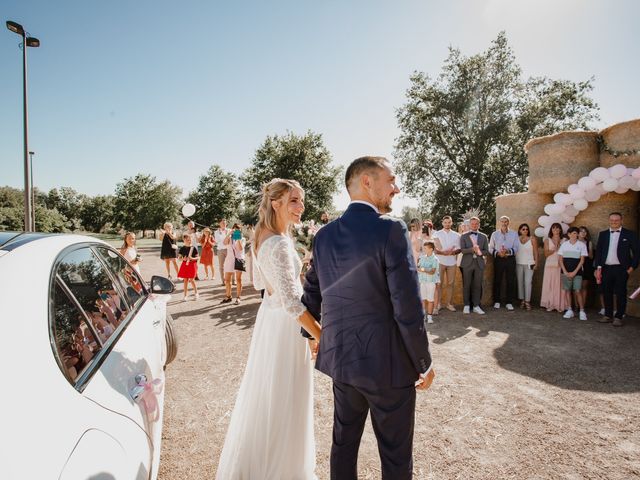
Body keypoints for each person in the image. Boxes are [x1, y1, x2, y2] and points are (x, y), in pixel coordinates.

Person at [304, 156, 434, 480]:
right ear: (366, 181)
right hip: (387, 367)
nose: (396, 188)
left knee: (343, 446)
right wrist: (424, 362)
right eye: (390, 180)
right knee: (395, 456)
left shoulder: (323, 236)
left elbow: (310, 297)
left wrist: (315, 340)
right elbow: (407, 306)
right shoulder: (390, 229)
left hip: (342, 364)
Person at [215, 178, 321, 479]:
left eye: (301, 200)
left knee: (270, 395)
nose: (301, 207)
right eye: (294, 201)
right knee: (285, 398)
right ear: (276, 203)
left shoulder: (260, 235)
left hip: (270, 321)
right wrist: (321, 336)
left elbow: (262, 285)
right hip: (286, 328)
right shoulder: (279, 243)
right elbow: (293, 302)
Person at [594, 212, 640, 327]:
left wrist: (631, 268)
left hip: (621, 269)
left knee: (621, 293)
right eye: (612, 220)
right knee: (606, 292)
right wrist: (598, 267)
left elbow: (637, 253)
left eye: (616, 220)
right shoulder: (603, 234)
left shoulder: (629, 234)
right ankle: (608, 315)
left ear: (621, 221)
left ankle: (619, 317)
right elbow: (599, 252)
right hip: (606, 268)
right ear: (609, 220)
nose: (614, 222)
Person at [460, 217, 489, 315]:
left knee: (477, 285)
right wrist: (472, 249)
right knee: (467, 285)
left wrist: (479, 252)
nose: (474, 225)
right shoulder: (463, 236)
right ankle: (466, 305)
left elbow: (486, 251)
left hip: (479, 263)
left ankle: (476, 305)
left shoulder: (484, 236)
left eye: (476, 224)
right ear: (469, 225)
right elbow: (463, 250)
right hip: (467, 263)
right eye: (472, 224)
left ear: (479, 225)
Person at [489, 216, 519, 310]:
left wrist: (508, 252)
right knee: (497, 280)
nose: (504, 223)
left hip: (510, 259)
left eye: (506, 221)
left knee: (510, 280)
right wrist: (498, 253)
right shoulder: (495, 234)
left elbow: (516, 247)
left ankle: (509, 302)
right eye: (502, 221)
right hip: (498, 259)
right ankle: (497, 301)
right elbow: (490, 248)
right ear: (500, 222)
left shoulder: (514, 234)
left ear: (508, 222)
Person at [558, 226, 588, 320]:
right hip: (565, 272)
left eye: (576, 233)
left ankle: (582, 311)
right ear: (569, 234)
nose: (575, 235)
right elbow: (560, 260)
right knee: (567, 290)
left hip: (577, 272)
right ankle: (569, 310)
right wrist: (566, 272)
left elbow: (582, 261)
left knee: (578, 291)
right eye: (573, 233)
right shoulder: (564, 245)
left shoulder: (582, 245)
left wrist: (574, 272)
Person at [433, 215, 461, 312]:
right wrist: (443, 253)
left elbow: (459, 249)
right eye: (445, 222)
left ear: (451, 223)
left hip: (452, 262)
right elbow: (435, 249)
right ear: (442, 223)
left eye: (449, 222)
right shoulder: (436, 234)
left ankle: (449, 304)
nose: (447, 224)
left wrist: (452, 252)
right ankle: (439, 303)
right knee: (439, 283)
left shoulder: (457, 235)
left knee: (450, 283)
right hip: (439, 261)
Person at [540, 223, 566, 313]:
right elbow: (546, 254)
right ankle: (550, 304)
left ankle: (559, 305)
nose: (555, 230)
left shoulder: (564, 240)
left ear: (560, 230)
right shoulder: (547, 240)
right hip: (550, 264)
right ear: (551, 230)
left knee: (559, 284)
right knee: (550, 284)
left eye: (557, 228)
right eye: (554, 228)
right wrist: (555, 249)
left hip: (561, 264)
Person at [515, 223, 539, 310]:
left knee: (528, 282)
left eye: (526, 229)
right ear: (520, 230)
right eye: (523, 229)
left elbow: (536, 252)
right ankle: (522, 300)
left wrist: (536, 263)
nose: (525, 230)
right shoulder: (516, 239)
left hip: (529, 263)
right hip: (518, 263)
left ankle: (527, 301)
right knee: (520, 282)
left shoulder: (532, 239)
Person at [221, 223, 246, 305]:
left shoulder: (242, 239)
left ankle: (238, 297)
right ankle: (228, 296)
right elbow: (224, 243)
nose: (236, 233)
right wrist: (229, 234)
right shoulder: (229, 238)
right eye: (235, 230)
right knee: (227, 280)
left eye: (238, 231)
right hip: (229, 260)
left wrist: (238, 238)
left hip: (238, 259)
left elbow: (240, 248)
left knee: (238, 279)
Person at [417, 241, 440, 324]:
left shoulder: (435, 259)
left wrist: (423, 269)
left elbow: (432, 271)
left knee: (430, 300)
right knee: (423, 299)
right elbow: (418, 267)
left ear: (431, 249)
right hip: (422, 281)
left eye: (426, 248)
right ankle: (423, 316)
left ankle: (430, 317)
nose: (424, 250)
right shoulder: (422, 257)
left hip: (431, 282)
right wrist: (423, 269)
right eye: (424, 248)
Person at [578, 226, 597, 312]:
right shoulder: (573, 242)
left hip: (586, 266)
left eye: (585, 232)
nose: (583, 233)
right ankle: (576, 305)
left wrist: (584, 250)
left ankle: (583, 306)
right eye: (581, 231)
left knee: (584, 286)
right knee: (577, 287)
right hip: (576, 265)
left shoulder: (589, 242)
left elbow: (591, 256)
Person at [177, 234, 199, 301]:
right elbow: (179, 258)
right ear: (184, 240)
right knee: (185, 280)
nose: (188, 240)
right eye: (186, 239)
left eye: (189, 239)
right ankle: (185, 296)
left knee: (192, 280)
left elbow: (198, 257)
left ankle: (196, 293)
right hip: (185, 265)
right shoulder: (182, 248)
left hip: (192, 265)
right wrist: (182, 259)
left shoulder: (193, 248)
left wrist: (192, 258)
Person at [214, 219, 231, 286]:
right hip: (220, 250)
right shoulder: (216, 232)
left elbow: (231, 240)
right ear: (219, 224)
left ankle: (233, 280)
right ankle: (223, 281)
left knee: (231, 264)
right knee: (221, 266)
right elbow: (217, 241)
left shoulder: (229, 230)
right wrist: (225, 238)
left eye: (225, 223)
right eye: (222, 223)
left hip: (228, 249)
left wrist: (226, 238)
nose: (224, 224)